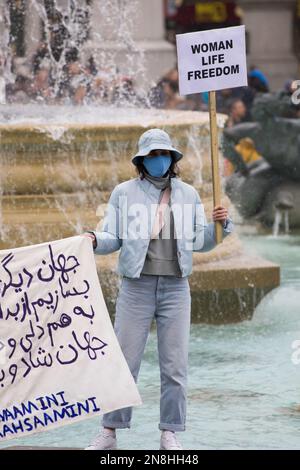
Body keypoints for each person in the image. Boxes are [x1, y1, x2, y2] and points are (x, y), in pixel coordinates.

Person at [83, 129, 234, 450]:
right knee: (124, 362)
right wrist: (95, 240)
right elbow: (113, 236)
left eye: (163, 154)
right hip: (136, 288)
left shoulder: (189, 195)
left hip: (176, 289)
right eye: (151, 156)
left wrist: (220, 226)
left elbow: (201, 242)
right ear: (141, 161)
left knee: (175, 365)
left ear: (172, 159)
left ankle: (170, 431)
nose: (158, 160)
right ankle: (109, 431)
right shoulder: (123, 193)